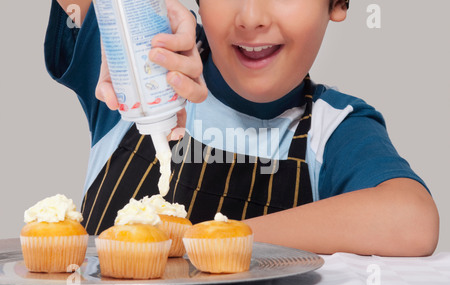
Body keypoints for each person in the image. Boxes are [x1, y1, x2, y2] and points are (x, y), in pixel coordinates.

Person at [46, 0, 439, 256]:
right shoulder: (144, 66)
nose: (251, 18)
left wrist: (209, 241)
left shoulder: (332, 130)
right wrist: (137, 23)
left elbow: (412, 221)